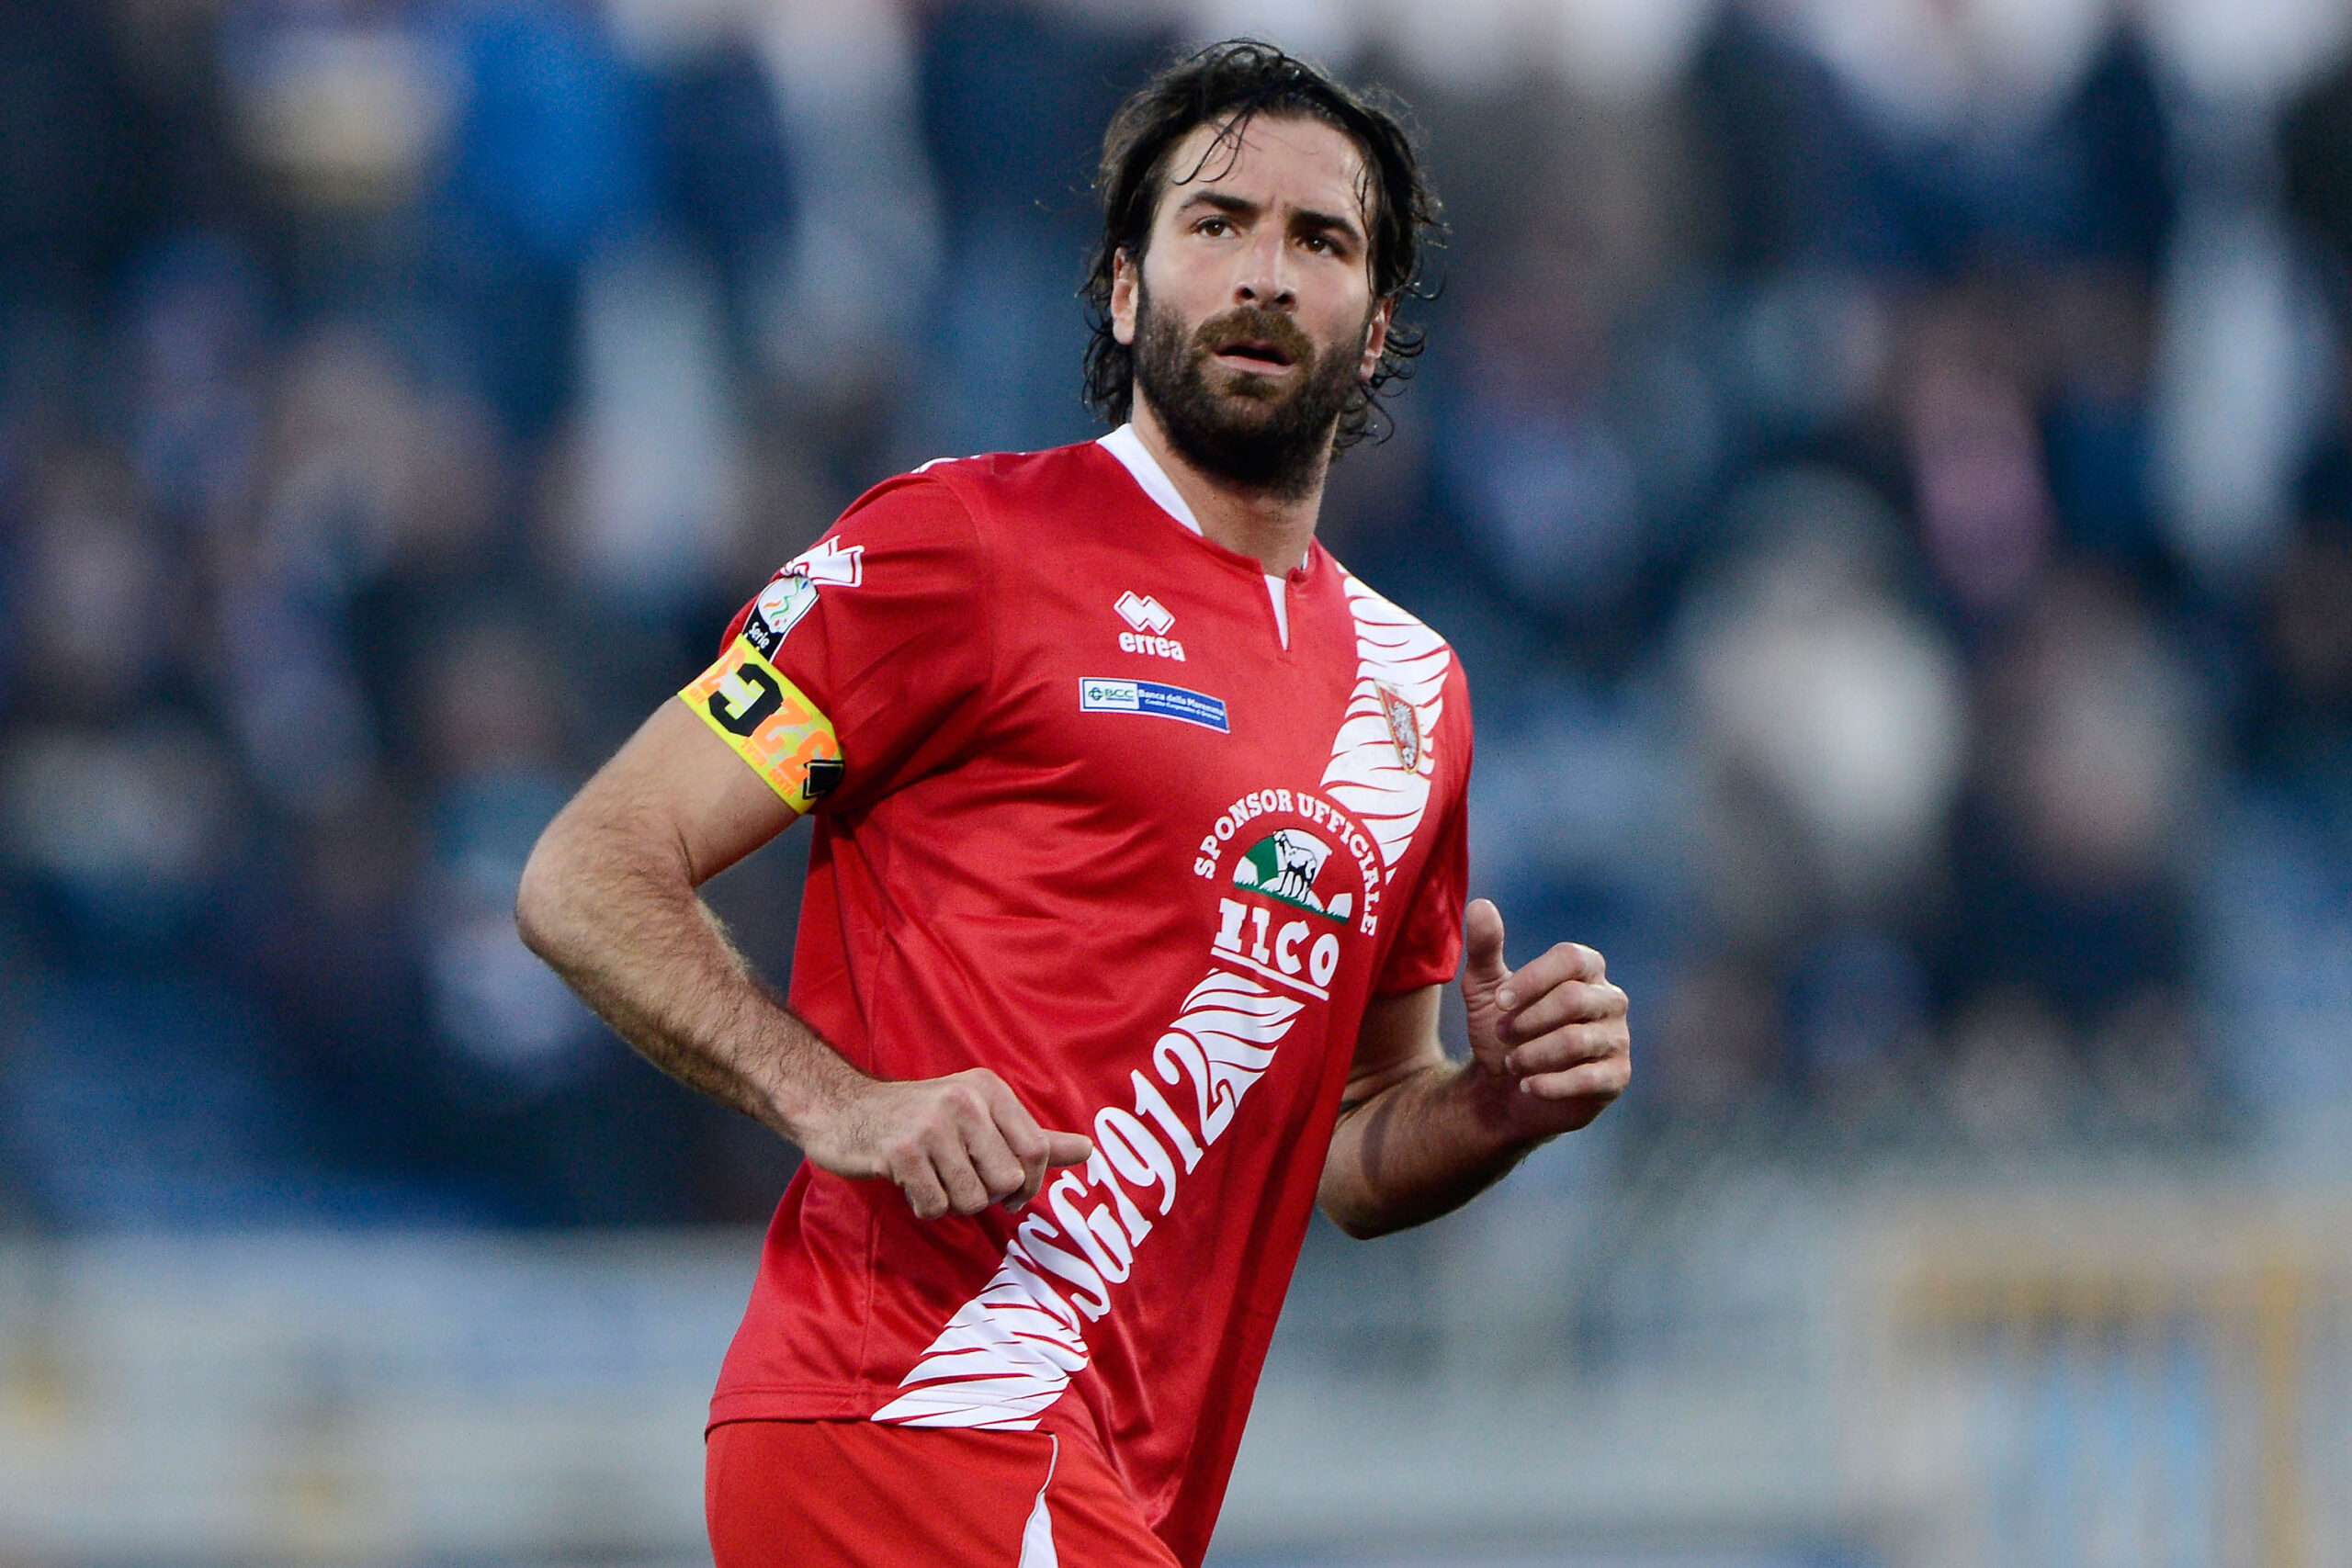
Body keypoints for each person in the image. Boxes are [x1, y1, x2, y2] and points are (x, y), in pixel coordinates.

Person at [517, 39, 1632, 1568]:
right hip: (913, 1408)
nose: (1266, 273)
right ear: (1122, 288)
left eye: (1321, 241)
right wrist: (838, 1101)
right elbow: (588, 870)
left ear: (1376, 329)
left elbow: (1353, 1146)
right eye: (1217, 224)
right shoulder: (960, 545)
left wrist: (1497, 1109)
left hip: (1105, 1483)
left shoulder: (1412, 695)